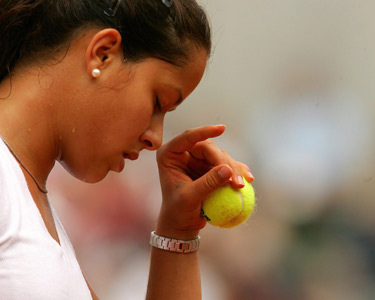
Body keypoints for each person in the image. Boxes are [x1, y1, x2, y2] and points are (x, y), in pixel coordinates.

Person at [0, 0, 254, 299]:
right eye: (158, 102)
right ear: (103, 54)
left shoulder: (27, 197)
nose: (155, 139)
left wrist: (179, 230)